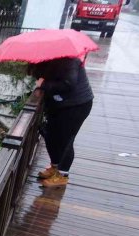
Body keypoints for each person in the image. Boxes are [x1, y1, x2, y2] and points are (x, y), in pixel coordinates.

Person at [29, 57, 94, 188]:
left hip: (77, 104)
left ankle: (62, 175)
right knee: (51, 135)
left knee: (66, 140)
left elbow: (69, 84)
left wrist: (44, 84)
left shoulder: (70, 59)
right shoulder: (48, 59)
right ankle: (55, 166)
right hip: (59, 104)